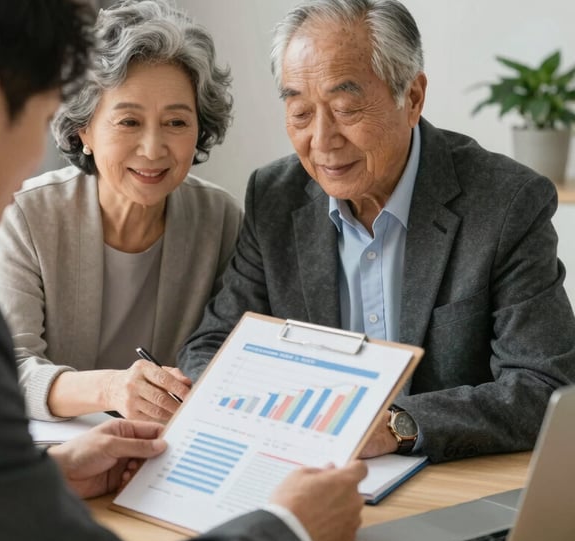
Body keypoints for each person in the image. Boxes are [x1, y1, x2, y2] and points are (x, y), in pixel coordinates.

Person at [0, 0, 367, 541]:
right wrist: (289, 530)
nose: (35, 156)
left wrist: (44, 478)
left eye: (176, 120)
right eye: (43, 110)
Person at [178, 0, 575, 464]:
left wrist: (397, 425)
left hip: (449, 479)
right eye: (301, 113)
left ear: (413, 98)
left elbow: (544, 387)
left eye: (345, 109)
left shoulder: (505, 202)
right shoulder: (275, 196)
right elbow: (213, 346)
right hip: (306, 472)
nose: (323, 141)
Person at [0, 0, 241, 424]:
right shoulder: (28, 216)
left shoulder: (221, 219)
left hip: (166, 455)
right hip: (63, 456)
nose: (154, 149)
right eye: (128, 122)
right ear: (84, 129)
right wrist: (110, 389)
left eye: (176, 123)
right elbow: (7, 368)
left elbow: (228, 356)